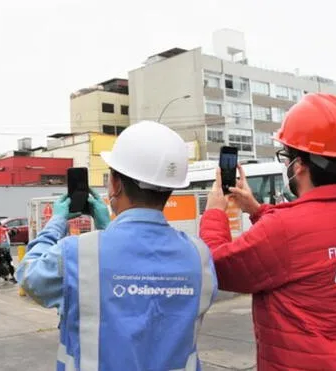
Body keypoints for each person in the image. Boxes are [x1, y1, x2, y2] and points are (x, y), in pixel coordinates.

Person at [200, 93, 336, 369]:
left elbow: (217, 266)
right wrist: (256, 210)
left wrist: (215, 211)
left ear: (298, 166)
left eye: (285, 156)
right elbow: (304, 249)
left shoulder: (285, 229)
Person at [16, 121, 218, 371]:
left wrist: (55, 223)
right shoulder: (199, 256)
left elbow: (28, 275)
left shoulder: (77, 254)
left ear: (116, 184)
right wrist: (108, 226)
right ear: (170, 189)